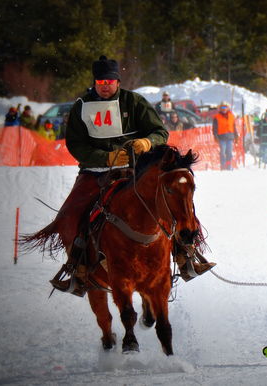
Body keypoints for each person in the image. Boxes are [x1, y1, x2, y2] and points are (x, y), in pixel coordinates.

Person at [49, 55, 214, 296]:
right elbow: (75, 144)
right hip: (94, 172)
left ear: (117, 81)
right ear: (95, 82)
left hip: (136, 169)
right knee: (70, 214)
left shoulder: (134, 102)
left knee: (172, 199)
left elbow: (160, 132)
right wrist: (104, 158)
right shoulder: (81, 106)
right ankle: (77, 268)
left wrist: (147, 142)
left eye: (110, 80)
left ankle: (185, 255)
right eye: (100, 81)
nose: (105, 85)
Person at [212, 101, 239, 170]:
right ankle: (223, 166)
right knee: (222, 153)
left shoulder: (232, 116)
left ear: (227, 108)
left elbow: (234, 127)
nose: (224, 108)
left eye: (225, 107)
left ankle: (228, 166)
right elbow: (214, 128)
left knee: (229, 153)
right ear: (220, 108)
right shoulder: (216, 117)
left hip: (230, 137)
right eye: (222, 107)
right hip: (221, 137)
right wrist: (215, 136)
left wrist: (236, 136)